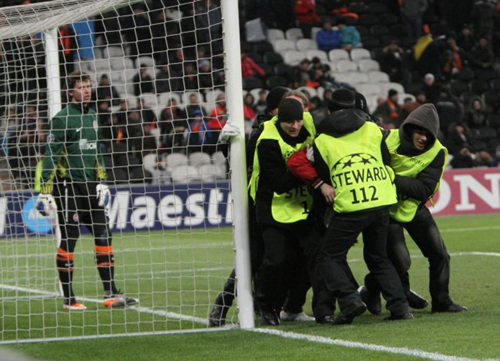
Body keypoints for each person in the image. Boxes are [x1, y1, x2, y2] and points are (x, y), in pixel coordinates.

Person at [35, 71, 138, 310]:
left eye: (88, 86)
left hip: (92, 186)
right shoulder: (61, 119)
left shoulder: (93, 115)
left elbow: (98, 151)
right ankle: (69, 298)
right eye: (81, 87)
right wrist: (44, 190)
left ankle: (111, 293)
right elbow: (51, 155)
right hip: (68, 186)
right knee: (70, 239)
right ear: (70, 92)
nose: (87, 90)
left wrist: (102, 180)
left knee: (104, 234)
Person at [360, 104, 468, 314]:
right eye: (420, 132)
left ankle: (442, 301)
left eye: (429, 135)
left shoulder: (437, 152)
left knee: (440, 255)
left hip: (413, 207)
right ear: (409, 129)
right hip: (386, 210)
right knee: (400, 262)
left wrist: (389, 176)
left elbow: (423, 189)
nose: (424, 138)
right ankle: (372, 290)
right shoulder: (385, 138)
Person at [310, 103, 412, 324]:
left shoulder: (322, 140)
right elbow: (386, 161)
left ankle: (349, 300)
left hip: (351, 204)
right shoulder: (372, 129)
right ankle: (400, 307)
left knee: (328, 257)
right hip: (382, 200)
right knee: (379, 257)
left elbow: (324, 174)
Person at [249, 98, 317, 326]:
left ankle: (293, 305)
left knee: (313, 257)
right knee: (276, 260)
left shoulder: (309, 124)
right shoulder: (268, 141)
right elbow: (279, 182)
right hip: (272, 207)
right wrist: (305, 166)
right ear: (279, 120)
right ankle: (265, 304)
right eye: (290, 122)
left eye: (298, 120)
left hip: (303, 207)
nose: (296, 126)